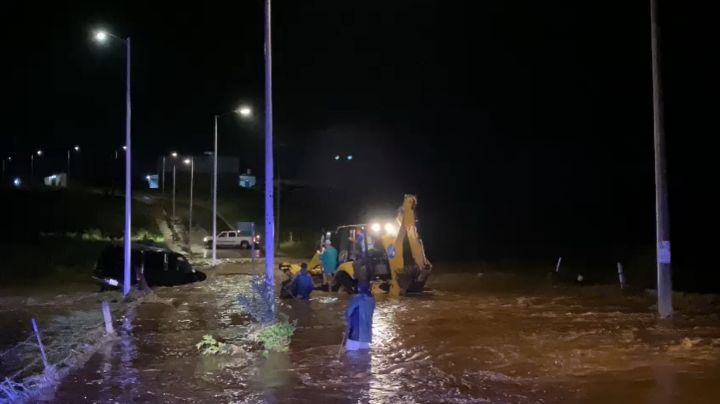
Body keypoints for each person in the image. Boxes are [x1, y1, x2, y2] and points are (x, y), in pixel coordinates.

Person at [344, 281, 375, 351]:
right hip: (366, 336)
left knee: (351, 357)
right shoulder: (372, 300)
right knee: (364, 358)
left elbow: (349, 311)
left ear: (358, 288)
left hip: (355, 334)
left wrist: (347, 320)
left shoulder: (357, 298)